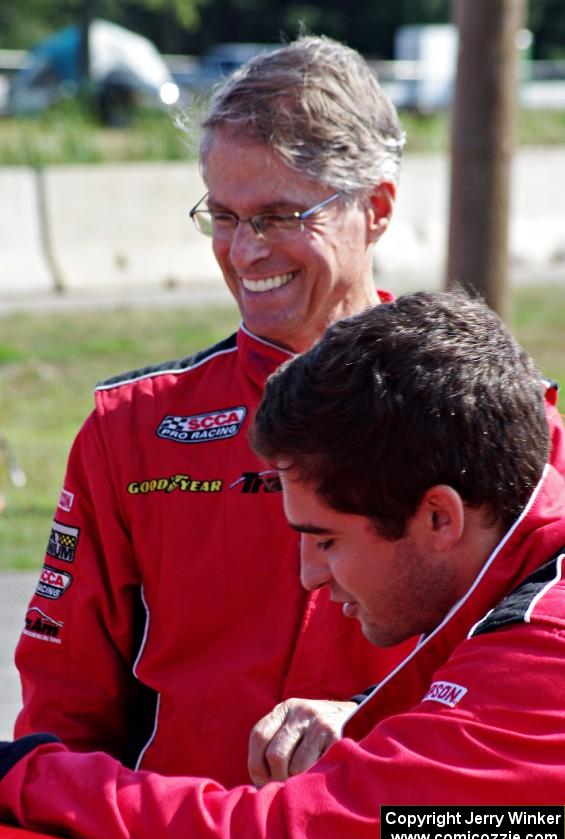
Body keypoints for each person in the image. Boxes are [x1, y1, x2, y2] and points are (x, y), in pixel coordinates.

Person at [2, 289, 565, 839]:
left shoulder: (542, 650)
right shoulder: (522, 583)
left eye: (325, 539)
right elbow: (488, 829)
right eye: (221, 216)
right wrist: (366, 716)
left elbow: (287, 836)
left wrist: (26, 775)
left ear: (440, 517)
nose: (310, 575)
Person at [13, 34, 413, 788]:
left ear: (377, 208)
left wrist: (357, 719)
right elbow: (59, 718)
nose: (244, 251)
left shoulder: (492, 420)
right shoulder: (130, 430)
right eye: (224, 217)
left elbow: (528, 705)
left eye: (280, 215)